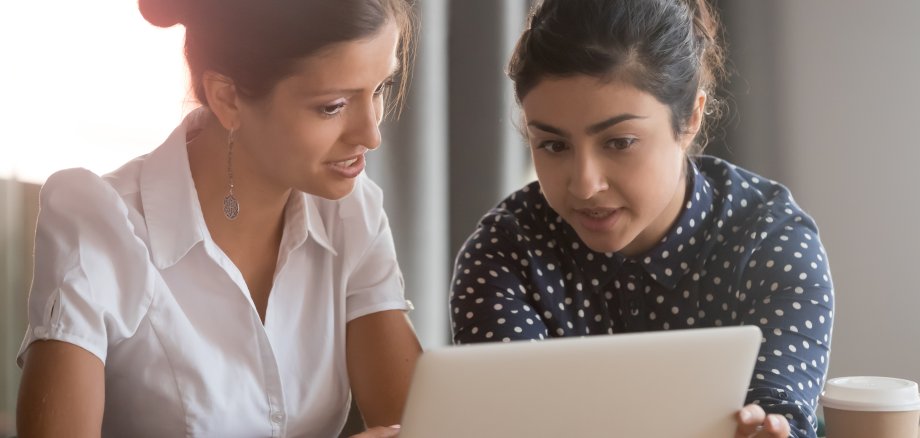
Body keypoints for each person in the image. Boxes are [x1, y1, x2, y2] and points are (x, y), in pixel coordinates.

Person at [16, 0, 420, 437]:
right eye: (333, 106)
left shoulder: (350, 214)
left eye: (380, 89)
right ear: (227, 97)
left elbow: (427, 424)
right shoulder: (100, 222)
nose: (371, 135)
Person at [450, 0, 834, 437]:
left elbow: (781, 415)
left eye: (619, 142)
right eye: (554, 146)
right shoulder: (505, 256)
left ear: (690, 117)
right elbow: (513, 426)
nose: (584, 185)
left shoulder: (771, 242)